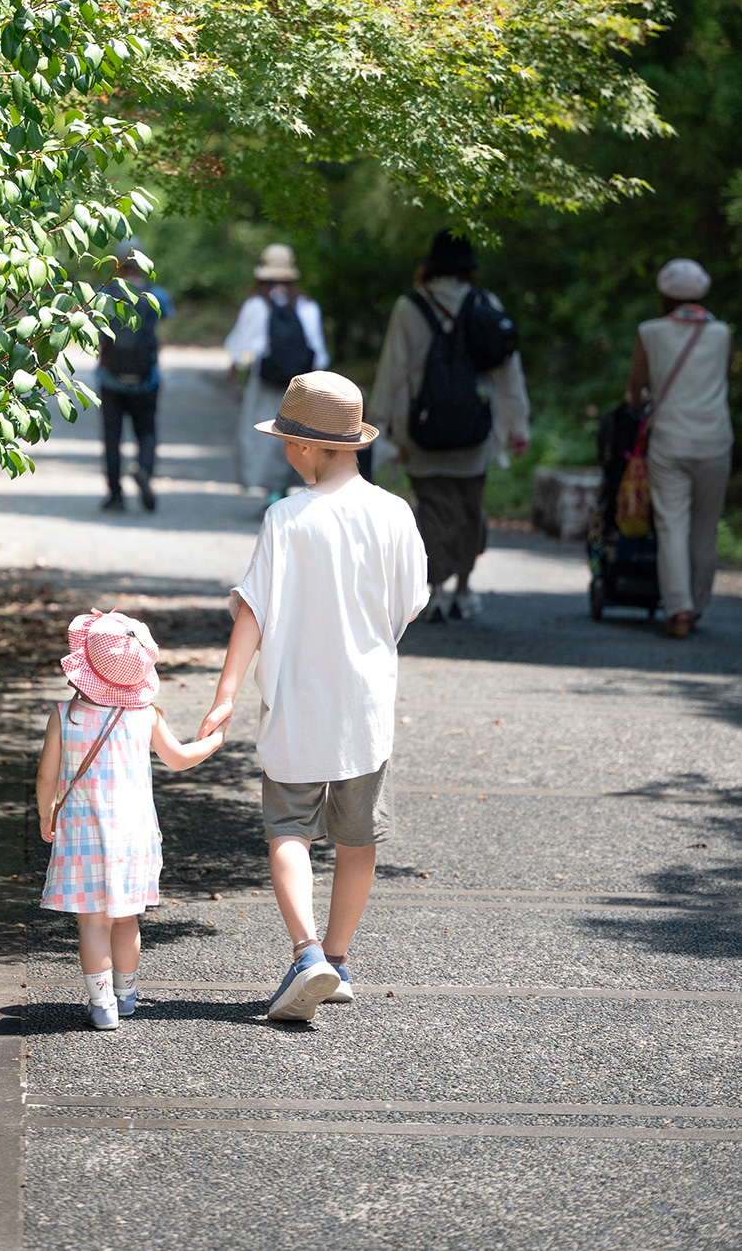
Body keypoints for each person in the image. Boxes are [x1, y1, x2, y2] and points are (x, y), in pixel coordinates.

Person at [197, 371, 428, 1022]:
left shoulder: (285, 519)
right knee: (357, 840)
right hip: (366, 706)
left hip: (298, 703)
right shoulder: (393, 513)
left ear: (303, 448)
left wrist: (224, 696)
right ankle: (339, 957)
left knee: (287, 831)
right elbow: (410, 601)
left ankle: (306, 955)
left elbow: (253, 613)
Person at [37, 608, 223, 1029]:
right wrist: (213, 742)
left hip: (84, 833)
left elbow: (46, 778)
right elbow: (178, 758)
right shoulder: (146, 715)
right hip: (135, 834)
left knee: (92, 922)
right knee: (125, 919)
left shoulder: (64, 718)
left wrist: (45, 814)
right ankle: (127, 995)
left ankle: (101, 1006)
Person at [369, 230, 530, 621]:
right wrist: (517, 424)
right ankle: (463, 587)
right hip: (475, 428)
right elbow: (507, 370)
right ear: (470, 268)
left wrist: (376, 424)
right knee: (469, 508)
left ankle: (436, 589)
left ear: (431, 264)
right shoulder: (485, 303)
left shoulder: (410, 307)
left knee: (432, 511)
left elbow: (393, 369)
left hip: (421, 428)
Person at [626, 258, 734, 639]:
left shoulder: (650, 331)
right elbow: (719, 381)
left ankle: (679, 609)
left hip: (670, 440)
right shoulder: (722, 333)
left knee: (671, 524)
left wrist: (638, 401)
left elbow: (636, 388)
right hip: (715, 440)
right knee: (704, 529)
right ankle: (699, 604)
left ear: (663, 294)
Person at [224, 243, 329, 505]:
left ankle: (271, 491)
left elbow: (240, 349)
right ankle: (285, 488)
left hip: (267, 381)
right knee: (297, 435)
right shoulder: (307, 306)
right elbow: (320, 352)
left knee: (265, 434)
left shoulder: (257, 304)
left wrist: (236, 368)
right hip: (302, 384)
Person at [96, 244, 174, 513]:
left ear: (116, 265)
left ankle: (115, 496)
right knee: (147, 431)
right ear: (142, 265)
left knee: (112, 438)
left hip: (110, 377)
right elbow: (162, 323)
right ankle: (144, 470)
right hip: (146, 377)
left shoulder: (104, 293)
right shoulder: (157, 294)